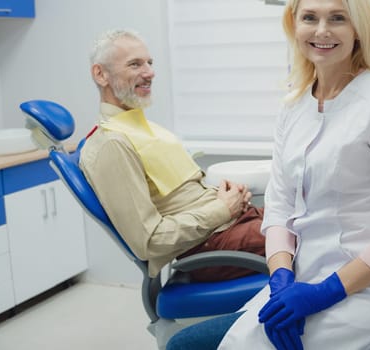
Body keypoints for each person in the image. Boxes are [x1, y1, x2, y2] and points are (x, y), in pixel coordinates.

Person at [166, 0, 370, 349]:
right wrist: (281, 279)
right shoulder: (293, 107)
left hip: (366, 291)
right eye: (310, 18)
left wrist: (324, 293)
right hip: (298, 284)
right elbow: (279, 207)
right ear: (294, 25)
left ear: (358, 30)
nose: (322, 30)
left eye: (337, 18)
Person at [79, 29, 266, 282]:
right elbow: (148, 241)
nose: (149, 72)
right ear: (100, 74)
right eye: (135, 64)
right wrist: (221, 209)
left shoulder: (142, 127)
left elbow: (182, 196)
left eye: (150, 63)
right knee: (317, 235)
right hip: (212, 246)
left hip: (233, 224)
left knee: (318, 213)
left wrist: (222, 195)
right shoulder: (112, 145)